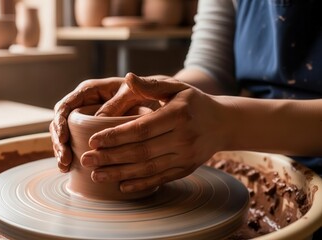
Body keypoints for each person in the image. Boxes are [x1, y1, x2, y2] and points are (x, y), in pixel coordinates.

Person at [50, 0, 322, 194]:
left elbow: (225, 118)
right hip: (263, 161)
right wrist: (155, 93)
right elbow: (211, 69)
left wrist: (225, 124)